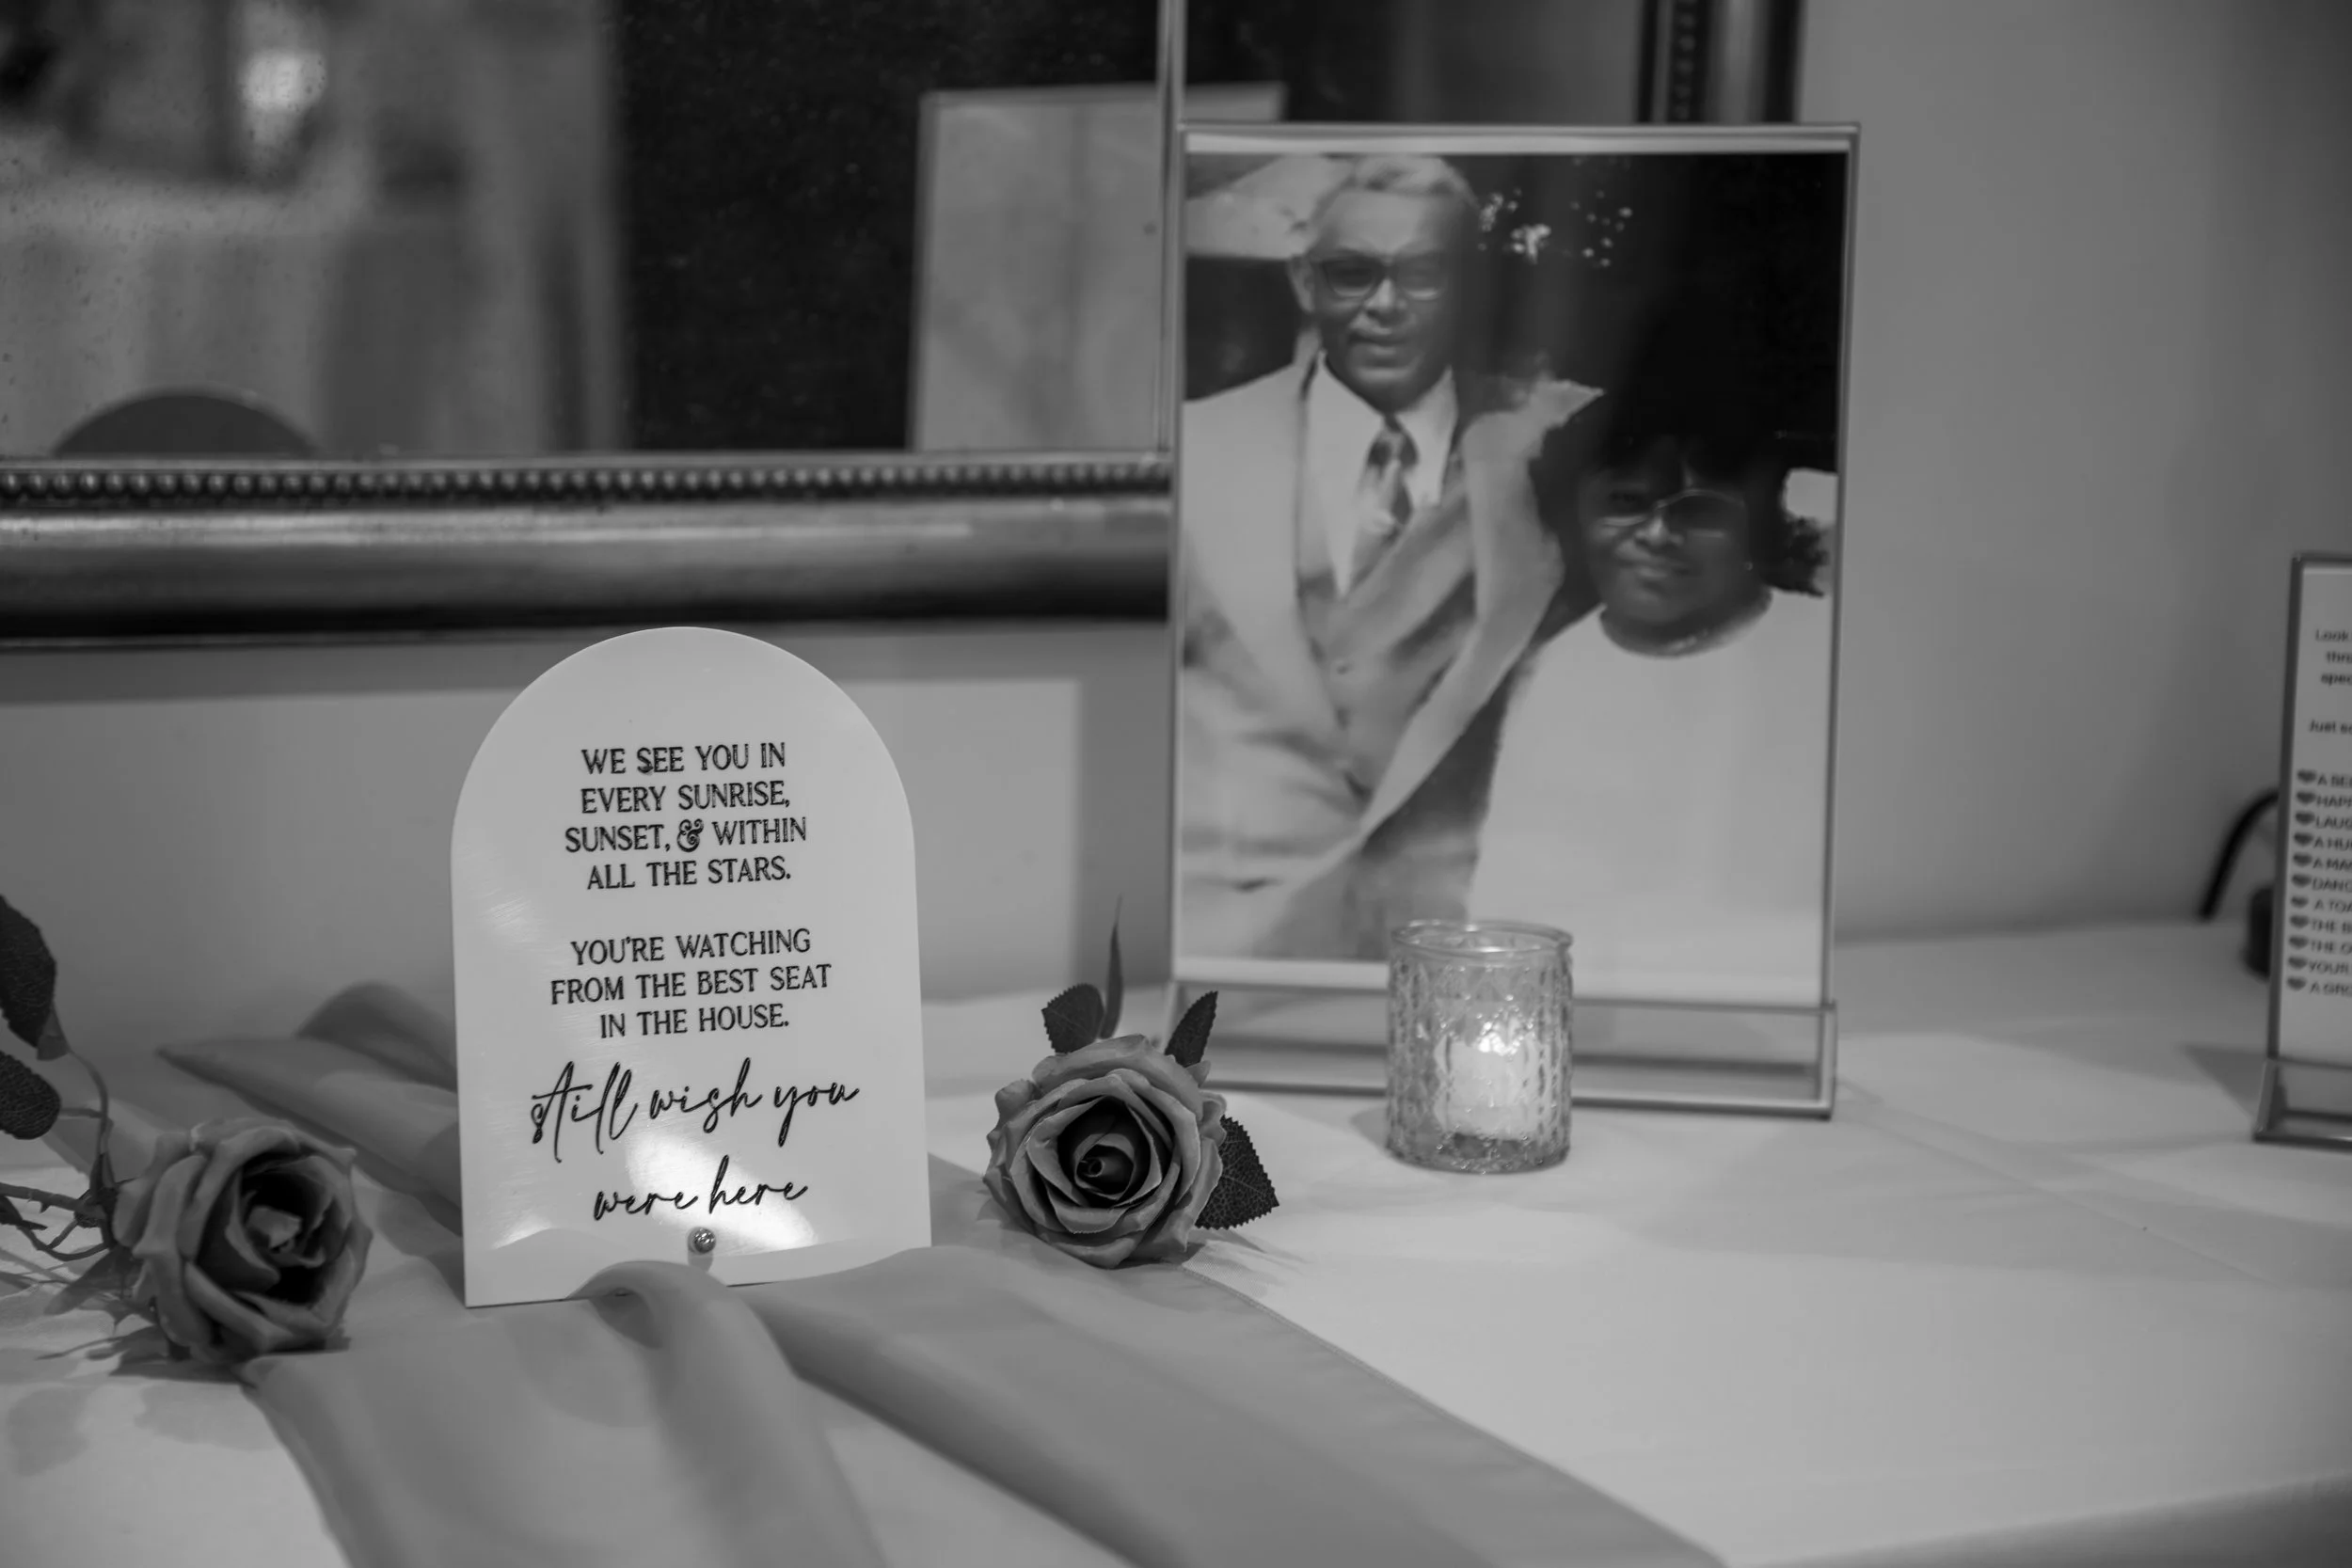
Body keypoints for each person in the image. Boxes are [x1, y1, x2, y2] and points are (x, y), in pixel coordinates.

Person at [1177, 152, 1598, 962]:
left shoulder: (1561, 441)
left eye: (1424, 275)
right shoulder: (1198, 448)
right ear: (1304, 284)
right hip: (1237, 957)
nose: (1385, 306)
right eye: (1351, 274)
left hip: (1473, 950)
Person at [1470, 335, 1836, 1005]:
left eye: (1699, 512)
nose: (1657, 535)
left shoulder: (1816, 654)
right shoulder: (1550, 668)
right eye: (1625, 503)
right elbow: (1506, 905)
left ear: (1755, 524)